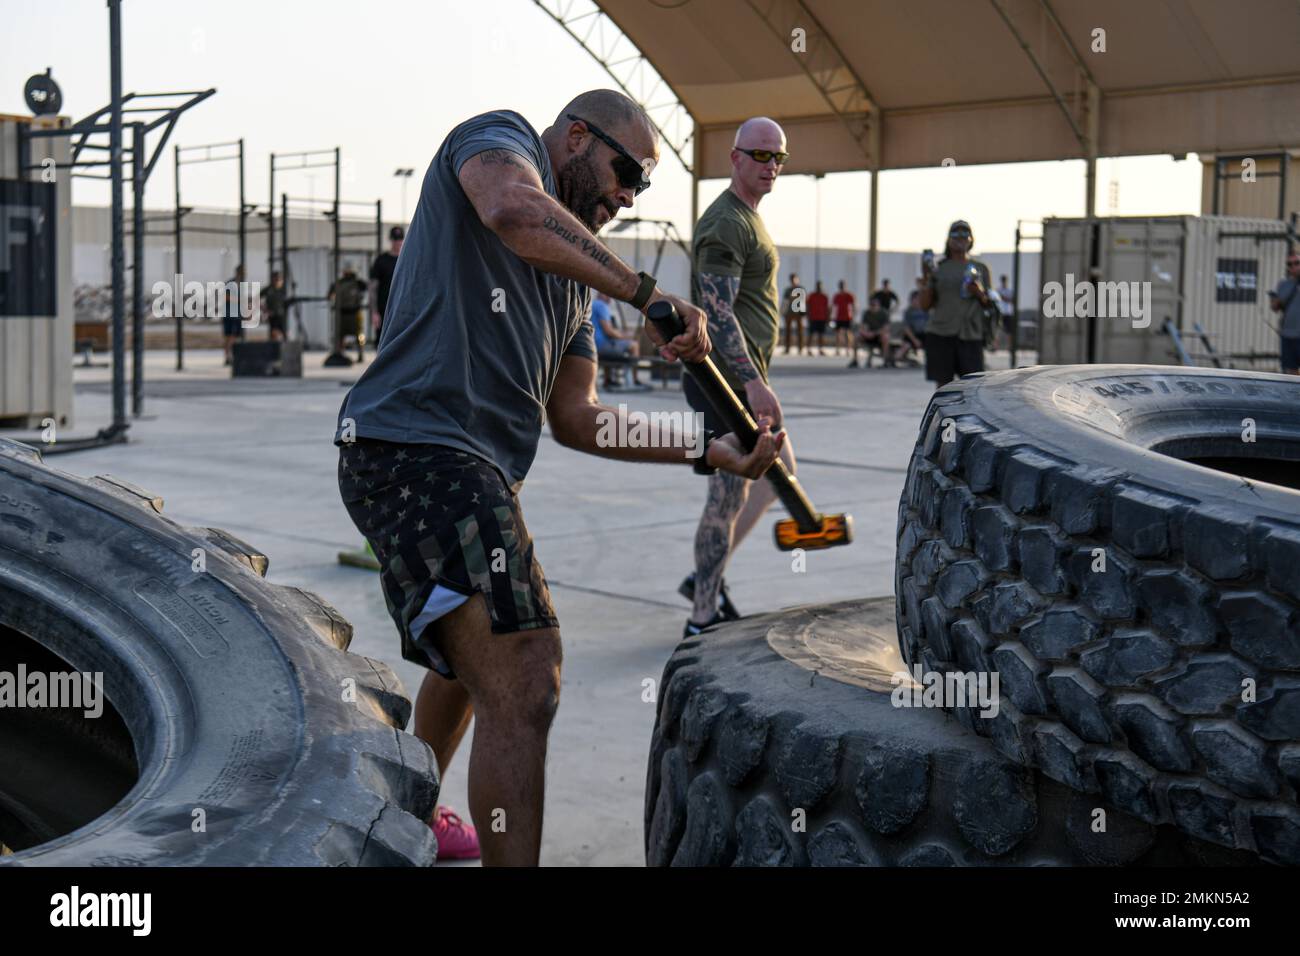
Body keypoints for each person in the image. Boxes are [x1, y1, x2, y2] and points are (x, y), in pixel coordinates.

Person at [334, 90, 780, 867]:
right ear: (576, 136)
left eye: (642, 188)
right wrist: (644, 292)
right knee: (526, 666)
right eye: (625, 172)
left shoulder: (575, 281)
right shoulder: (500, 142)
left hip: (469, 472)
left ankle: (402, 814)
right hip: (413, 448)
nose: (628, 196)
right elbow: (512, 210)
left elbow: (580, 418)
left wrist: (709, 446)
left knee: (474, 660)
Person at [680, 116, 797, 636]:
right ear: (735, 158)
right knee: (727, 497)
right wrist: (750, 382)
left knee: (775, 478)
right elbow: (717, 313)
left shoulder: (749, 217)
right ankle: (701, 613)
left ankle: (706, 576)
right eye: (760, 155)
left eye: (779, 157)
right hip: (724, 382)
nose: (771, 165)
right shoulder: (726, 223)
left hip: (743, 378)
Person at [919, 219, 992, 386]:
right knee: (944, 388)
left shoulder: (980, 268)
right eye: (956, 233)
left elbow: (990, 305)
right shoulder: (939, 268)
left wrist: (979, 293)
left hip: (970, 335)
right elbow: (924, 305)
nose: (961, 237)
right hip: (941, 333)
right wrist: (927, 278)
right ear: (948, 239)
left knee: (973, 388)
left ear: (971, 239)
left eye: (965, 233)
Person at [590, 289, 646, 388]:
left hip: (593, 345)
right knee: (634, 345)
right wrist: (626, 336)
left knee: (611, 345)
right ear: (602, 294)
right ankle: (634, 380)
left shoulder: (592, 304)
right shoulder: (602, 306)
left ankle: (608, 380)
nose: (610, 297)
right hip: (601, 346)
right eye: (608, 294)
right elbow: (609, 332)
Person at [370, 226, 404, 346]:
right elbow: (373, 288)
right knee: (382, 344)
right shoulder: (381, 260)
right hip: (384, 310)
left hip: (402, 310)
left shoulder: (407, 260)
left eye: (400, 240)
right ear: (391, 240)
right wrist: (374, 312)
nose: (398, 243)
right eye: (395, 240)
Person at [1268, 251, 1300, 374]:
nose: (1293, 267)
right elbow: (1276, 308)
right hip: (1287, 335)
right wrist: (1274, 300)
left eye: (1297, 263)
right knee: (1290, 371)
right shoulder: (1283, 284)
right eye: (1290, 264)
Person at [329, 266, 368, 362]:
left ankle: (360, 353)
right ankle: (339, 353)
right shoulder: (339, 283)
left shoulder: (358, 283)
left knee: (359, 335)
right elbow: (330, 295)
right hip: (342, 313)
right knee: (339, 335)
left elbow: (366, 288)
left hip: (355, 313)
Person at [850, 301, 891, 367]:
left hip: (878, 335)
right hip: (868, 335)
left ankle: (885, 361)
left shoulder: (883, 313)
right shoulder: (867, 313)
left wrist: (874, 333)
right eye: (871, 306)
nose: (873, 307)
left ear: (878, 306)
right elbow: (862, 327)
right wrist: (865, 333)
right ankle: (855, 360)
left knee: (885, 337)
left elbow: (886, 328)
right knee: (856, 336)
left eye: (875, 305)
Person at [222, 263, 246, 365]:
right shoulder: (231, 283)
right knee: (229, 337)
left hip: (238, 315)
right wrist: (239, 300)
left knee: (236, 337)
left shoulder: (242, 284)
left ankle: (233, 356)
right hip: (229, 314)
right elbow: (225, 297)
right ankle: (228, 357)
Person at [259, 270, 288, 342]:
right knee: (274, 333)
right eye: (276, 278)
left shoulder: (284, 289)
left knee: (284, 333)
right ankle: (274, 347)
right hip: (272, 314)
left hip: (281, 314)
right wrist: (264, 309)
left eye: (279, 279)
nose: (277, 280)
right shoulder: (268, 289)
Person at [781, 273, 805, 354]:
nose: (793, 281)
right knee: (788, 331)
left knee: (800, 331)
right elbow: (785, 302)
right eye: (792, 280)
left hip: (798, 313)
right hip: (789, 313)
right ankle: (787, 348)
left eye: (795, 279)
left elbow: (803, 302)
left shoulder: (801, 289)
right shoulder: (788, 290)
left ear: (797, 279)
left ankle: (800, 348)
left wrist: (803, 313)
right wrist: (783, 312)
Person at [831, 280, 855, 356]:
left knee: (847, 333)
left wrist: (853, 315)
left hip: (847, 317)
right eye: (841, 286)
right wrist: (832, 317)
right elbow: (834, 307)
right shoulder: (836, 296)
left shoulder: (849, 295)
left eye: (843, 286)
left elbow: (854, 305)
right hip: (838, 317)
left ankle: (848, 349)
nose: (842, 287)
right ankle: (837, 349)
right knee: (838, 334)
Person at [806, 280, 830, 354]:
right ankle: (809, 349)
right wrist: (808, 316)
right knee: (811, 334)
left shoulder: (825, 296)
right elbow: (808, 306)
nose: (819, 287)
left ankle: (821, 349)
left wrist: (828, 318)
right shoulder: (811, 295)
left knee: (821, 335)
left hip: (822, 318)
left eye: (820, 286)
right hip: (813, 317)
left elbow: (827, 308)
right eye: (818, 286)